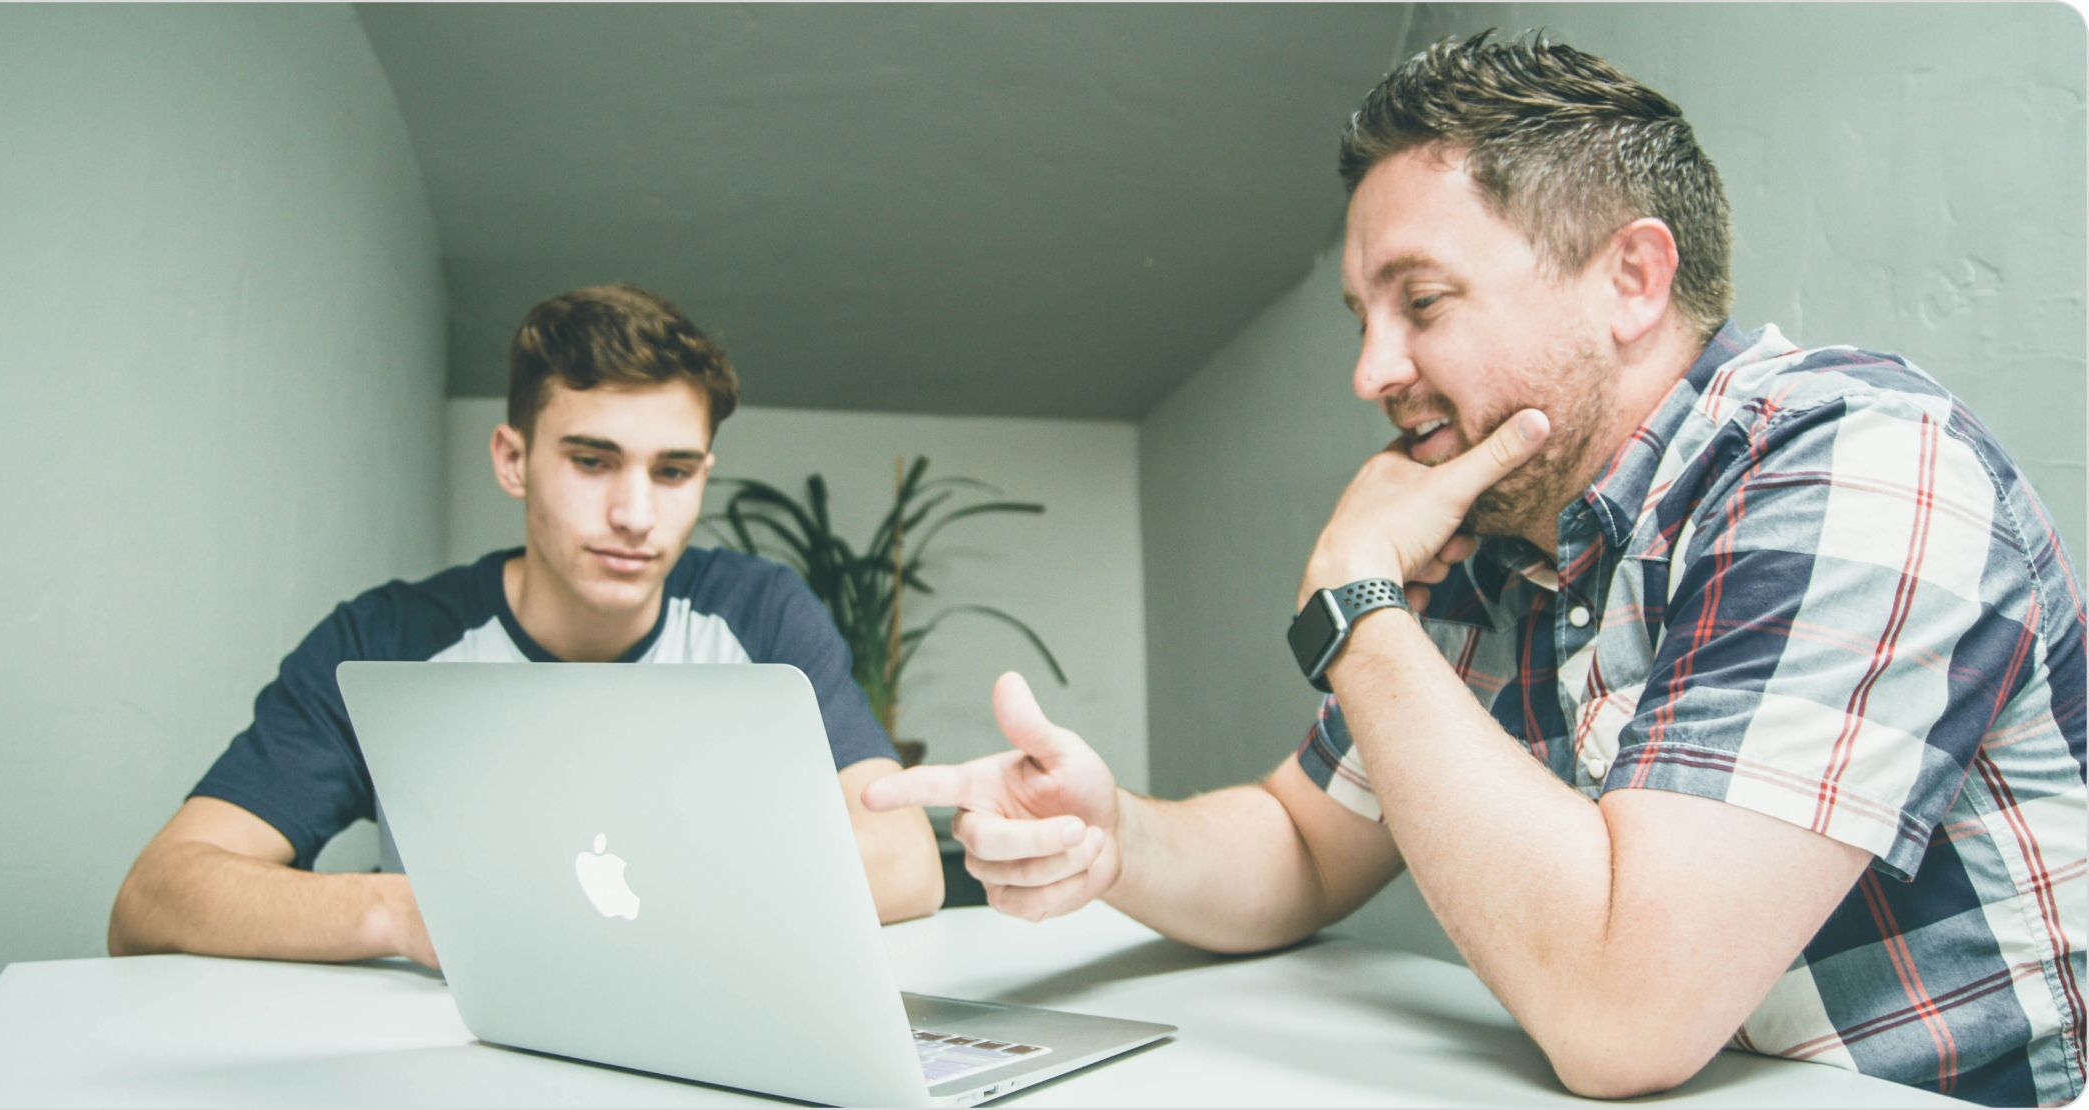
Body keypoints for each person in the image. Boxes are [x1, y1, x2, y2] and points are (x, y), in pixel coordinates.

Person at [865, 32, 2085, 1107]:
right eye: (1361, 317)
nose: (1371, 371)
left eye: (1423, 302)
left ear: (1632, 279)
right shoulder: (1500, 531)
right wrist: (1116, 837)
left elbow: (1627, 1016)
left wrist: (1355, 597)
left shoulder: (1856, 467)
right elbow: (1301, 842)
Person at [110, 283, 944, 968]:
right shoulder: (387, 640)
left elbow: (906, 863)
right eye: (592, 461)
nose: (634, 514)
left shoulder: (759, 614)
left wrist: (614, 902)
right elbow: (157, 895)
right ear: (514, 459)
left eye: (673, 471)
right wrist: (406, 913)